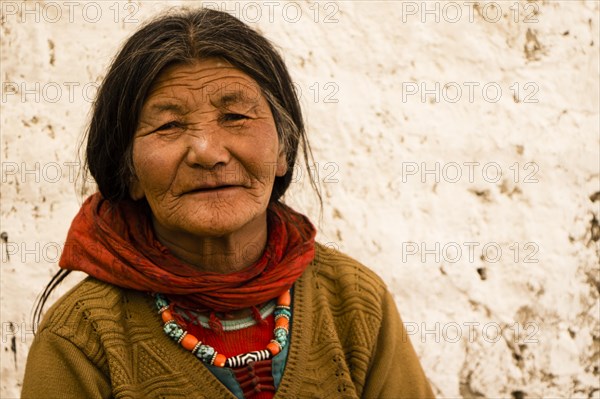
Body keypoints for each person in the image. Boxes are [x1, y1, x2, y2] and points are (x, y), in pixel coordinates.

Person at [22, 8, 434, 399]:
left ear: (283, 151)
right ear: (128, 172)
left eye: (235, 116)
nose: (207, 151)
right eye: (168, 125)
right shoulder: (82, 335)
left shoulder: (355, 302)